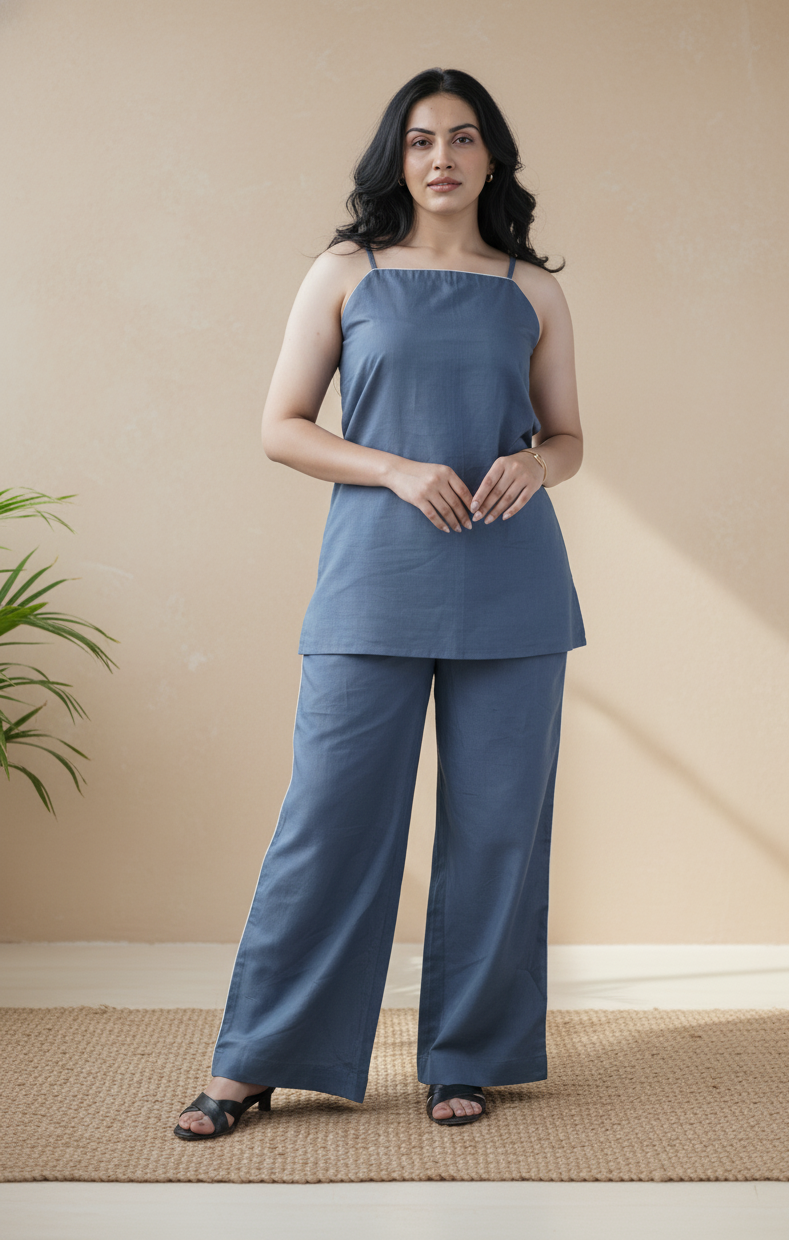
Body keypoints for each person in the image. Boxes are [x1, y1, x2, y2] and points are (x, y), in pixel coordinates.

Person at [174, 65, 585, 1140]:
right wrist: (395, 469)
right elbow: (282, 425)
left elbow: (567, 438)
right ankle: (256, 1059)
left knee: (498, 833)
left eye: (462, 137)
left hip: (514, 586)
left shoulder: (533, 289)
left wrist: (537, 464)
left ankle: (468, 1057)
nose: (441, 157)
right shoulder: (344, 272)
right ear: (395, 158)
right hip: (373, 581)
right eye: (419, 139)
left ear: (491, 157)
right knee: (330, 822)